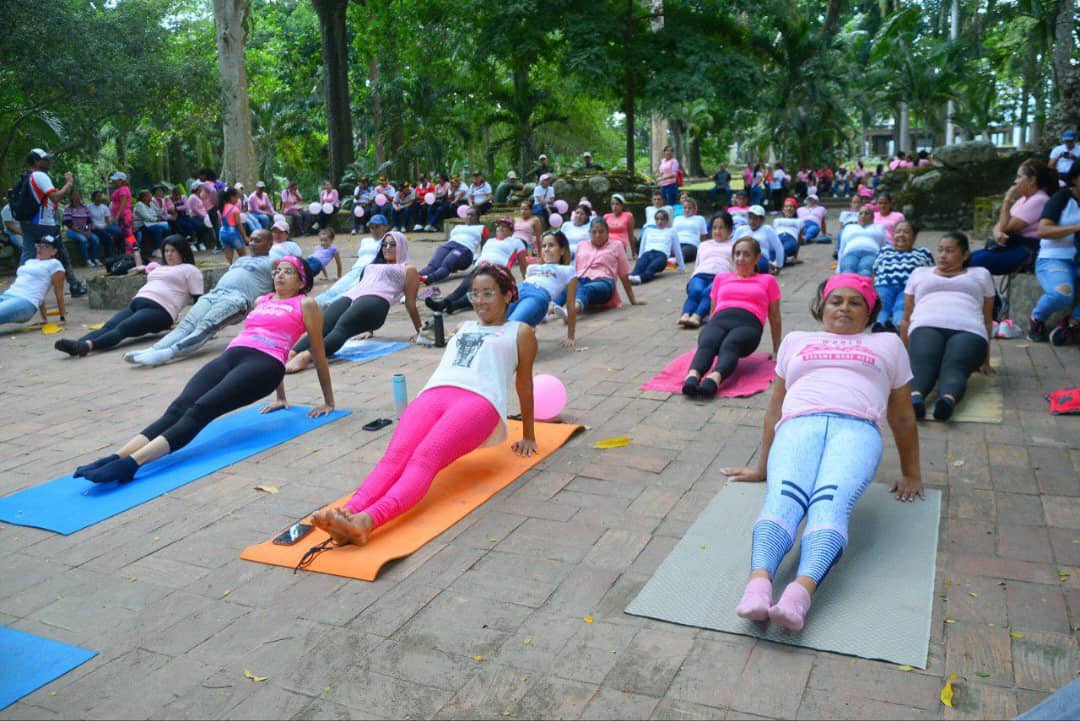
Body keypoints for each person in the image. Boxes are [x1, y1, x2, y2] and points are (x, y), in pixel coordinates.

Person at [723, 274, 921, 631]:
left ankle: (800, 594)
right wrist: (762, 466)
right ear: (822, 306)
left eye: (855, 302)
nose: (844, 307)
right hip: (799, 424)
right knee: (783, 498)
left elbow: (903, 414)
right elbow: (774, 408)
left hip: (857, 428)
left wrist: (912, 472)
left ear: (869, 311)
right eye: (836, 301)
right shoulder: (797, 340)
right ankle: (758, 585)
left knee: (830, 502)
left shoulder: (888, 344)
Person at [312, 263, 536, 546]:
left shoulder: (521, 332)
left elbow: (524, 384)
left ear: (508, 294)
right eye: (474, 294)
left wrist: (529, 433)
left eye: (488, 293)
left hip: (479, 401)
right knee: (396, 455)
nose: (479, 301)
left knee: (425, 457)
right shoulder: (463, 326)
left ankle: (369, 521)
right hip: (434, 393)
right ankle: (349, 513)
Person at [75, 255, 335, 485]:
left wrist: (328, 402)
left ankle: (133, 464)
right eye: (277, 270)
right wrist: (281, 398)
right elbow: (254, 332)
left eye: (288, 271)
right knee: (178, 407)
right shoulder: (261, 300)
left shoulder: (306, 304)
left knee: (202, 409)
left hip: (265, 365)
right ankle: (116, 456)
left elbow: (318, 353)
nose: (279, 274)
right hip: (234, 355)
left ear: (301, 282)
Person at [125, 229, 275, 366]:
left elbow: (281, 287)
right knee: (186, 325)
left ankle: (167, 354)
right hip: (215, 293)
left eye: (258, 240)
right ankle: (154, 349)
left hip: (237, 299)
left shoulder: (273, 262)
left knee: (205, 327)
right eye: (252, 239)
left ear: (269, 244)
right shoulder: (241, 260)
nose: (252, 243)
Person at [286, 231, 422, 372]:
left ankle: (306, 357)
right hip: (352, 296)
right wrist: (369, 330)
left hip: (377, 301)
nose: (387, 247)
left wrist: (420, 331)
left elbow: (410, 303)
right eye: (384, 244)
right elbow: (365, 285)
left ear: (402, 246)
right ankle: (293, 353)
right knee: (322, 325)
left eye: (392, 244)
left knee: (341, 328)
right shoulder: (371, 266)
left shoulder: (408, 269)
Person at [55, 237, 203, 357]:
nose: (169, 254)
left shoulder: (191, 270)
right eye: (166, 251)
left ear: (183, 252)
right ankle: (76, 344)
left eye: (173, 251)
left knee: (123, 329)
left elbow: (199, 301)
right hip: (137, 304)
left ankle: (87, 346)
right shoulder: (159, 267)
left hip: (161, 311)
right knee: (109, 326)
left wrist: (199, 328)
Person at [901, 232, 994, 421]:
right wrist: (903, 354)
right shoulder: (920, 273)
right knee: (923, 365)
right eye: (940, 250)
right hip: (926, 324)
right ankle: (916, 399)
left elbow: (987, 318)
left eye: (950, 251)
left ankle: (947, 401)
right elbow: (907, 317)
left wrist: (986, 359)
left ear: (965, 255)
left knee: (955, 366)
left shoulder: (981, 274)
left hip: (969, 329)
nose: (942, 255)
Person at [682, 236, 781, 399]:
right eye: (737, 254)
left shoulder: (767, 280)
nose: (740, 259)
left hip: (748, 324)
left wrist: (776, 349)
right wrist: (711, 328)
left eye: (746, 254)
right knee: (708, 341)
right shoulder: (721, 277)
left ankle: (714, 378)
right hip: (721, 319)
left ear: (757, 258)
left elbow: (775, 317)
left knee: (730, 344)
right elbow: (714, 310)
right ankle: (692, 376)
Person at [15, 148, 86, 296]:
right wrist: (69, 183)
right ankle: (74, 286)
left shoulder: (27, 176)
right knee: (61, 253)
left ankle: (18, 288)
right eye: (45, 159)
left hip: (27, 221)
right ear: (36, 161)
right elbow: (55, 197)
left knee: (28, 253)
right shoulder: (40, 175)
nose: (48, 161)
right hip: (44, 223)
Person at [969, 159, 1056, 276]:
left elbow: (1005, 227)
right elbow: (1000, 224)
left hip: (1028, 250)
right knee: (968, 258)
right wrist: (997, 233)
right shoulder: (1023, 199)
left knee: (975, 262)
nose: (1015, 181)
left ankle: (991, 295)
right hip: (1014, 246)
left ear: (1032, 180)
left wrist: (1008, 199)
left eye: (1019, 177)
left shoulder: (1039, 199)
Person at [426, 217, 528, 315]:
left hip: (497, 270)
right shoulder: (490, 241)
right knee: (463, 288)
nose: (500, 228)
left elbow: (523, 264)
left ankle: (454, 306)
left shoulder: (517, 242)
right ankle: (442, 304)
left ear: (511, 231)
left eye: (504, 226)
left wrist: (527, 281)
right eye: (499, 226)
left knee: (476, 291)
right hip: (480, 267)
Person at [1028, 163, 1080, 345]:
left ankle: (1071, 323)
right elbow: (1043, 230)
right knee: (1062, 294)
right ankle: (1037, 319)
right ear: (1074, 178)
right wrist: (1076, 227)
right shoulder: (1062, 198)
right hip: (1055, 257)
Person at [552, 218, 644, 316]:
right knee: (568, 287)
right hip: (582, 280)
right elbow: (575, 270)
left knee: (585, 289)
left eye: (601, 232)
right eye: (594, 232)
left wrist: (632, 300)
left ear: (608, 232)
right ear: (589, 232)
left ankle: (570, 312)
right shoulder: (582, 245)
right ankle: (547, 313)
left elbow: (623, 274)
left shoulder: (617, 245)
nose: (597, 235)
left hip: (604, 283)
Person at [507, 232, 577, 346]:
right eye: (544, 246)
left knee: (511, 324)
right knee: (496, 321)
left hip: (538, 296)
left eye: (551, 245)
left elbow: (570, 303)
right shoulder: (532, 267)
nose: (546, 249)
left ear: (562, 250)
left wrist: (571, 336)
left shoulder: (568, 270)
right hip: (518, 290)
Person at [871, 220, 933, 332]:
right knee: (882, 307)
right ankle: (879, 327)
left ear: (914, 237)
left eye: (906, 232)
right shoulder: (884, 250)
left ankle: (896, 328)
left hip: (908, 288)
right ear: (893, 235)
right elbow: (875, 271)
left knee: (901, 307)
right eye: (898, 231)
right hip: (884, 285)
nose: (901, 235)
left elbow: (930, 274)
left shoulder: (923, 252)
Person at [679, 212, 737, 329]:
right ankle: (685, 314)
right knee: (696, 290)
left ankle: (697, 316)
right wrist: (692, 279)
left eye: (721, 228)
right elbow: (698, 264)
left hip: (721, 276)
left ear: (730, 230)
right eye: (715, 228)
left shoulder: (734, 245)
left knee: (708, 292)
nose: (717, 231)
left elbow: (735, 267)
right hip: (700, 274)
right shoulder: (704, 245)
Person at [318, 215, 390, 308]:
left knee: (349, 292)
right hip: (355, 269)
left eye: (377, 227)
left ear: (385, 227)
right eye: (371, 227)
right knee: (334, 289)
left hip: (370, 271)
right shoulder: (365, 240)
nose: (374, 230)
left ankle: (329, 307)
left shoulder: (389, 241)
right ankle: (313, 305)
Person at [0, 235, 65, 326]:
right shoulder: (30, 262)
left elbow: (59, 292)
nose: (40, 248)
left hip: (25, 301)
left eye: (45, 247)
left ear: (54, 251)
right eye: (39, 245)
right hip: (8, 295)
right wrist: (44, 318)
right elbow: (38, 288)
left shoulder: (55, 264)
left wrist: (62, 318)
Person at [418, 207, 488, 284]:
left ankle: (428, 279)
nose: (469, 217)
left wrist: (481, 260)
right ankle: (416, 276)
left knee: (446, 265)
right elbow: (451, 239)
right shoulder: (458, 227)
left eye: (472, 215)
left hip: (465, 249)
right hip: (449, 245)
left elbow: (485, 246)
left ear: (478, 217)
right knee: (433, 265)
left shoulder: (482, 228)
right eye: (468, 215)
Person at [629, 209, 683, 284]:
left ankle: (640, 278)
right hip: (647, 253)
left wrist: (681, 266)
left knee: (651, 268)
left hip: (661, 255)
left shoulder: (671, 231)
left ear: (667, 221)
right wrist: (639, 258)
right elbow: (642, 246)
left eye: (662, 219)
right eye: (657, 219)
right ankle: (632, 277)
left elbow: (677, 249)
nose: (659, 221)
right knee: (639, 267)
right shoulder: (648, 230)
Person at [733, 205, 785, 274]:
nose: (751, 221)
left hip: (760, 258)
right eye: (750, 218)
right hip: (741, 257)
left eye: (755, 218)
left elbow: (778, 247)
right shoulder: (741, 230)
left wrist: (779, 265)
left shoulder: (767, 229)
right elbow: (732, 246)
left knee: (753, 268)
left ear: (762, 220)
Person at [836, 206, 887, 276]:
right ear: (857, 216)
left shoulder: (879, 227)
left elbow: (883, 247)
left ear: (872, 217)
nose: (863, 216)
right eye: (861, 213)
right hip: (850, 253)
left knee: (865, 270)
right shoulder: (849, 227)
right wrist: (838, 267)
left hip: (871, 253)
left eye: (867, 213)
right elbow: (842, 248)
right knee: (847, 269)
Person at [63, 190, 103, 266]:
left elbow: (89, 221)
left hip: (84, 228)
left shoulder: (84, 207)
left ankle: (96, 259)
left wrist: (88, 230)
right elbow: (69, 224)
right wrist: (82, 232)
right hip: (72, 230)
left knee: (95, 239)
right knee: (83, 239)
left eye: (78, 195)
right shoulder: (68, 208)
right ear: (71, 197)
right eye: (74, 195)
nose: (76, 197)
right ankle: (87, 260)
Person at [133, 189, 170, 256]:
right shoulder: (139, 205)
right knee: (158, 229)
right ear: (144, 198)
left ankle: (165, 247)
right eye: (149, 195)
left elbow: (159, 213)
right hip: (142, 225)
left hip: (151, 223)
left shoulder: (151, 203)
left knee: (167, 228)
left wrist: (162, 203)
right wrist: (156, 219)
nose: (151, 196)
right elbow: (146, 217)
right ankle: (157, 249)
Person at [218, 187, 249, 264]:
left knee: (229, 257)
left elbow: (220, 223)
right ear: (231, 197)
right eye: (236, 197)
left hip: (222, 233)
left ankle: (230, 268)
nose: (237, 200)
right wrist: (244, 237)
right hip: (233, 234)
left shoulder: (220, 208)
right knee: (243, 255)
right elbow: (239, 224)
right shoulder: (235, 209)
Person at [672, 197, 708, 263]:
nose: (687, 210)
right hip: (677, 243)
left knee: (683, 252)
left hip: (691, 244)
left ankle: (676, 261)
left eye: (689, 208)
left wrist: (703, 250)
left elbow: (704, 236)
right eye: (685, 208)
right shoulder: (677, 219)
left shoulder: (700, 219)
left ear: (694, 209)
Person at [604, 193, 636, 258]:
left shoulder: (628, 216)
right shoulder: (606, 216)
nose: (614, 207)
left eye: (617, 204)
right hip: (607, 244)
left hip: (620, 245)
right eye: (612, 204)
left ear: (622, 206)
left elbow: (631, 235)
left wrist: (633, 253)